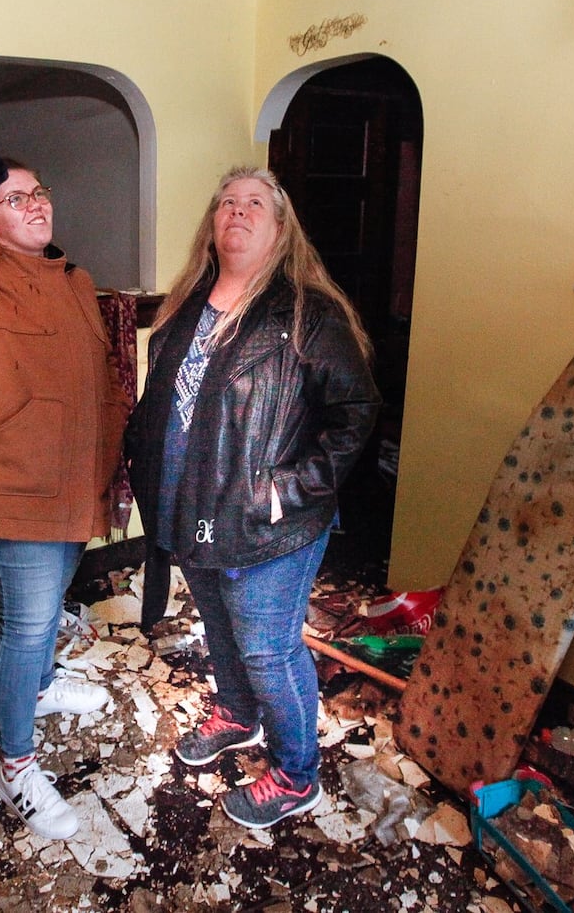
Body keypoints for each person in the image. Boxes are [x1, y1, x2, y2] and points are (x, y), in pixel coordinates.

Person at [125, 165, 379, 829]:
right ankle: (237, 716)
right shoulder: (188, 306)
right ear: (213, 225)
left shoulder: (306, 314)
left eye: (255, 203)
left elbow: (356, 413)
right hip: (193, 512)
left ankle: (298, 775)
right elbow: (165, 408)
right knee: (219, 625)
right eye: (228, 202)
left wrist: (287, 490)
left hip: (272, 521)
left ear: (279, 227)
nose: (238, 211)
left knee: (267, 645)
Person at [0, 156, 129, 841]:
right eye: (14, 199)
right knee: (28, 626)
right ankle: (17, 767)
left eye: (40, 193)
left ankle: (40, 688)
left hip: (75, 483)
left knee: (50, 605)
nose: (36, 205)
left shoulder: (75, 280)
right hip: (17, 486)